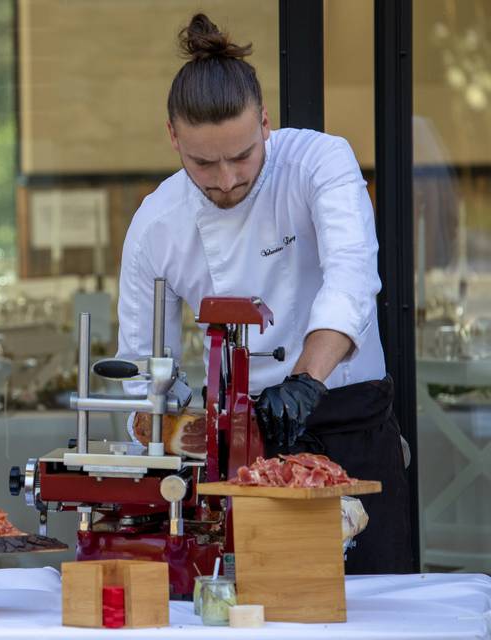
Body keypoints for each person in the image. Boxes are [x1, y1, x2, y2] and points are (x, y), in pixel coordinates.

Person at [116, 13, 413, 574]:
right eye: (203, 162)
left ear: (266, 124)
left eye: (243, 156)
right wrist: (174, 421)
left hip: (348, 421)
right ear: (172, 137)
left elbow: (350, 276)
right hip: (236, 449)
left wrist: (305, 381)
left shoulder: (319, 162)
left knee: (377, 610)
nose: (226, 179)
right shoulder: (156, 224)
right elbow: (140, 368)